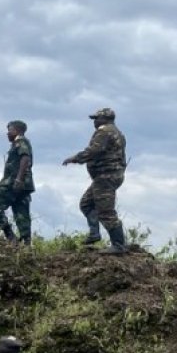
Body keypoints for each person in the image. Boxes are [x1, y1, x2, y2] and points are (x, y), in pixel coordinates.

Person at [62, 107, 128, 254]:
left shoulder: (104, 132)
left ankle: (118, 245)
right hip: (107, 176)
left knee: (106, 211)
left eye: (97, 118)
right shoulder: (117, 133)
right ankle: (94, 234)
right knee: (86, 203)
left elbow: (94, 151)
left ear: (106, 119)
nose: (95, 122)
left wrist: (75, 158)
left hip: (106, 176)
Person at [0, 120, 34, 245]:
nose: (7, 133)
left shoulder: (21, 141)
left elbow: (25, 158)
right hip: (24, 185)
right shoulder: (22, 142)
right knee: (21, 213)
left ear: (18, 131)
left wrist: (18, 179)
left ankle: (10, 237)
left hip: (13, 183)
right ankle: (26, 243)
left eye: (10, 130)